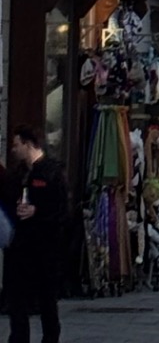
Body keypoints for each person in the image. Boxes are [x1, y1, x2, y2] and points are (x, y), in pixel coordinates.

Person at [6, 126, 68, 343]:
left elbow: (61, 210)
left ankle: (50, 338)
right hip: (22, 246)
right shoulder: (20, 173)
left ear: (28, 144)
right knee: (17, 298)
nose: (14, 150)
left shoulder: (51, 172)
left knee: (46, 300)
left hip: (45, 248)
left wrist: (37, 211)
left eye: (16, 145)